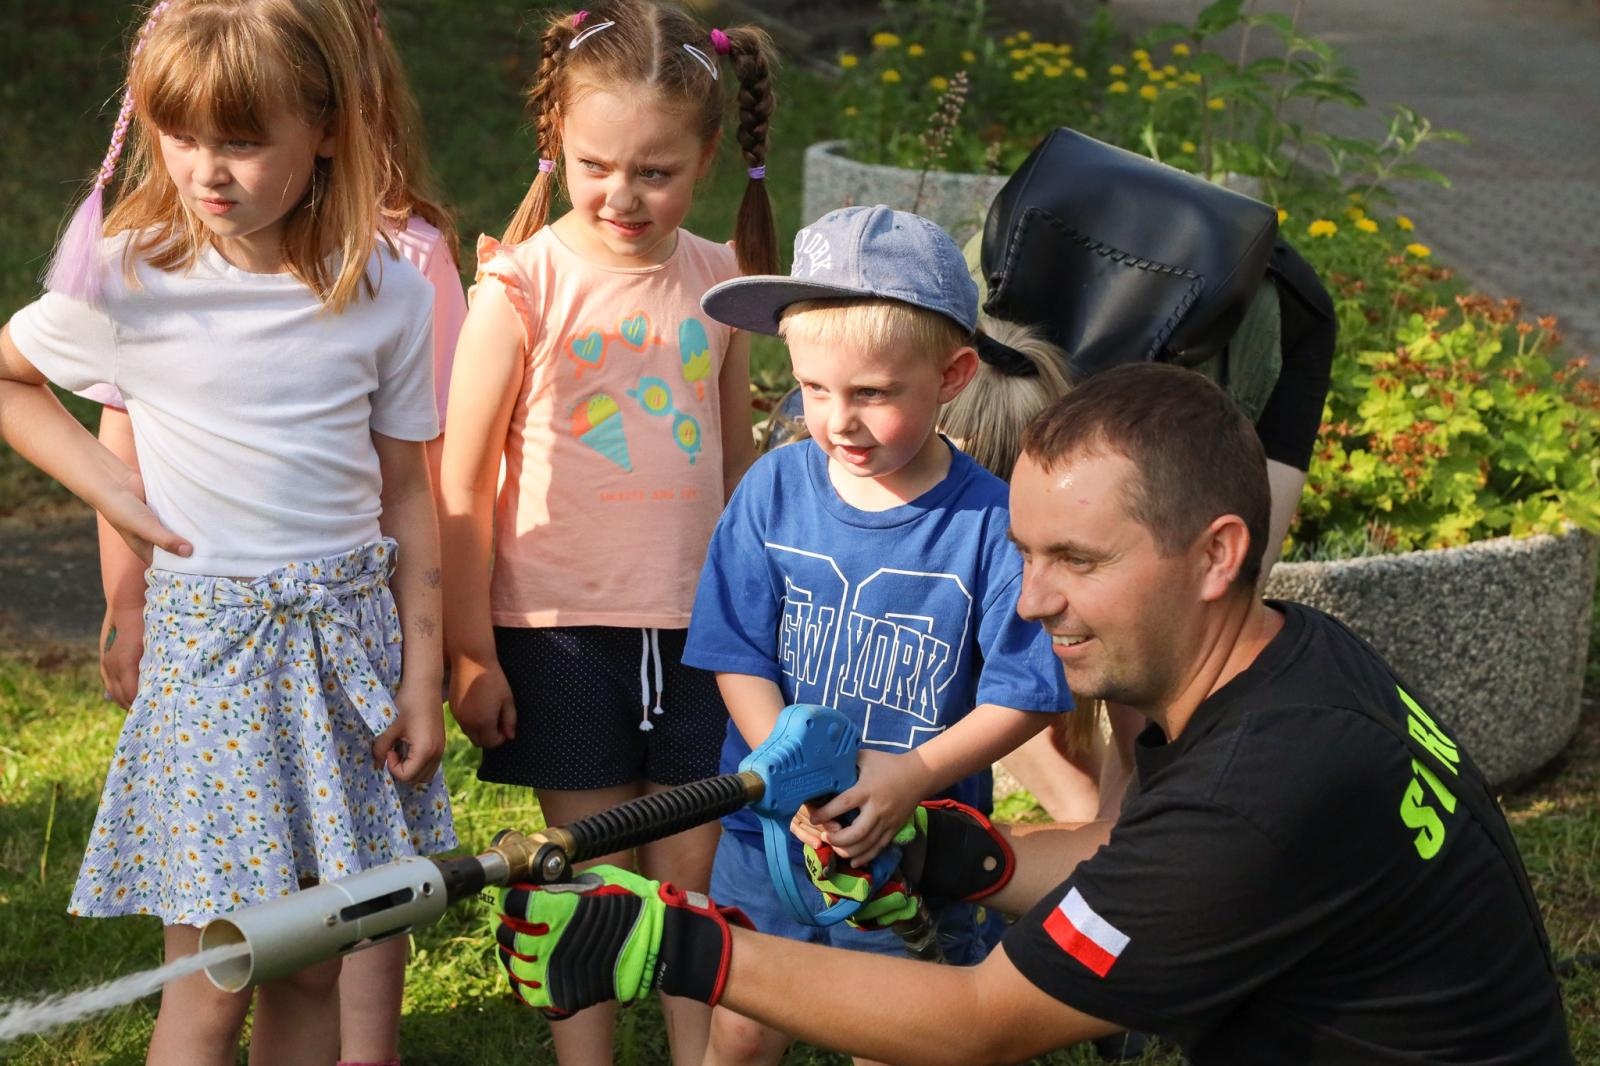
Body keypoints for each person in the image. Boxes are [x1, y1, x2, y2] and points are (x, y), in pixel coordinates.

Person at [491, 363, 1573, 1065]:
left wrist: (679, 946)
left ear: (1216, 555)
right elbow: (1128, 860)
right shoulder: (1296, 658)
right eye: (1023, 552)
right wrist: (958, 855)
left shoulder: (1258, 793)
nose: (1031, 599)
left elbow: (979, 1022)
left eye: (1078, 560)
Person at [0, 1, 456, 1064]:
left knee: (313, 963)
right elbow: (12, 379)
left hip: (347, 658)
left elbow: (407, 492)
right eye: (182, 136)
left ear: (327, 130)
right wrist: (115, 492)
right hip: (215, 665)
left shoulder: (387, 289)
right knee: (218, 974)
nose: (206, 170)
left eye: (243, 141)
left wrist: (424, 674)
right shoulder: (132, 275)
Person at [436, 3, 773, 1063]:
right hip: (559, 634)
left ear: (706, 158)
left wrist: (760, 614)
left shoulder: (720, 281)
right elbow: (461, 479)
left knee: (692, 874)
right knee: (587, 872)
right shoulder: (520, 284)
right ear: (557, 139)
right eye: (596, 166)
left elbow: (737, 465)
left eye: (656, 173)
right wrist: (469, 650)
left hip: (701, 630)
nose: (622, 195)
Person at [683, 203, 1074, 1066]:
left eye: (872, 393)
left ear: (953, 375)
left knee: (898, 1038)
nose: (838, 421)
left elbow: (1029, 693)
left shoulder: (991, 523)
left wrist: (913, 778)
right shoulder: (772, 491)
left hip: (915, 848)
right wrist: (783, 773)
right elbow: (736, 652)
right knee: (742, 1026)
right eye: (813, 389)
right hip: (767, 837)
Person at [963, 127, 1339, 825]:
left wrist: (1116, 821)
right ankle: (1091, 819)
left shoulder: (1166, 411)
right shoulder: (960, 352)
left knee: (1179, 622)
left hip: (1243, 305)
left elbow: (1163, 649)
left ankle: (1129, 825)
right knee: (1006, 620)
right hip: (1056, 243)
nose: (1035, 594)